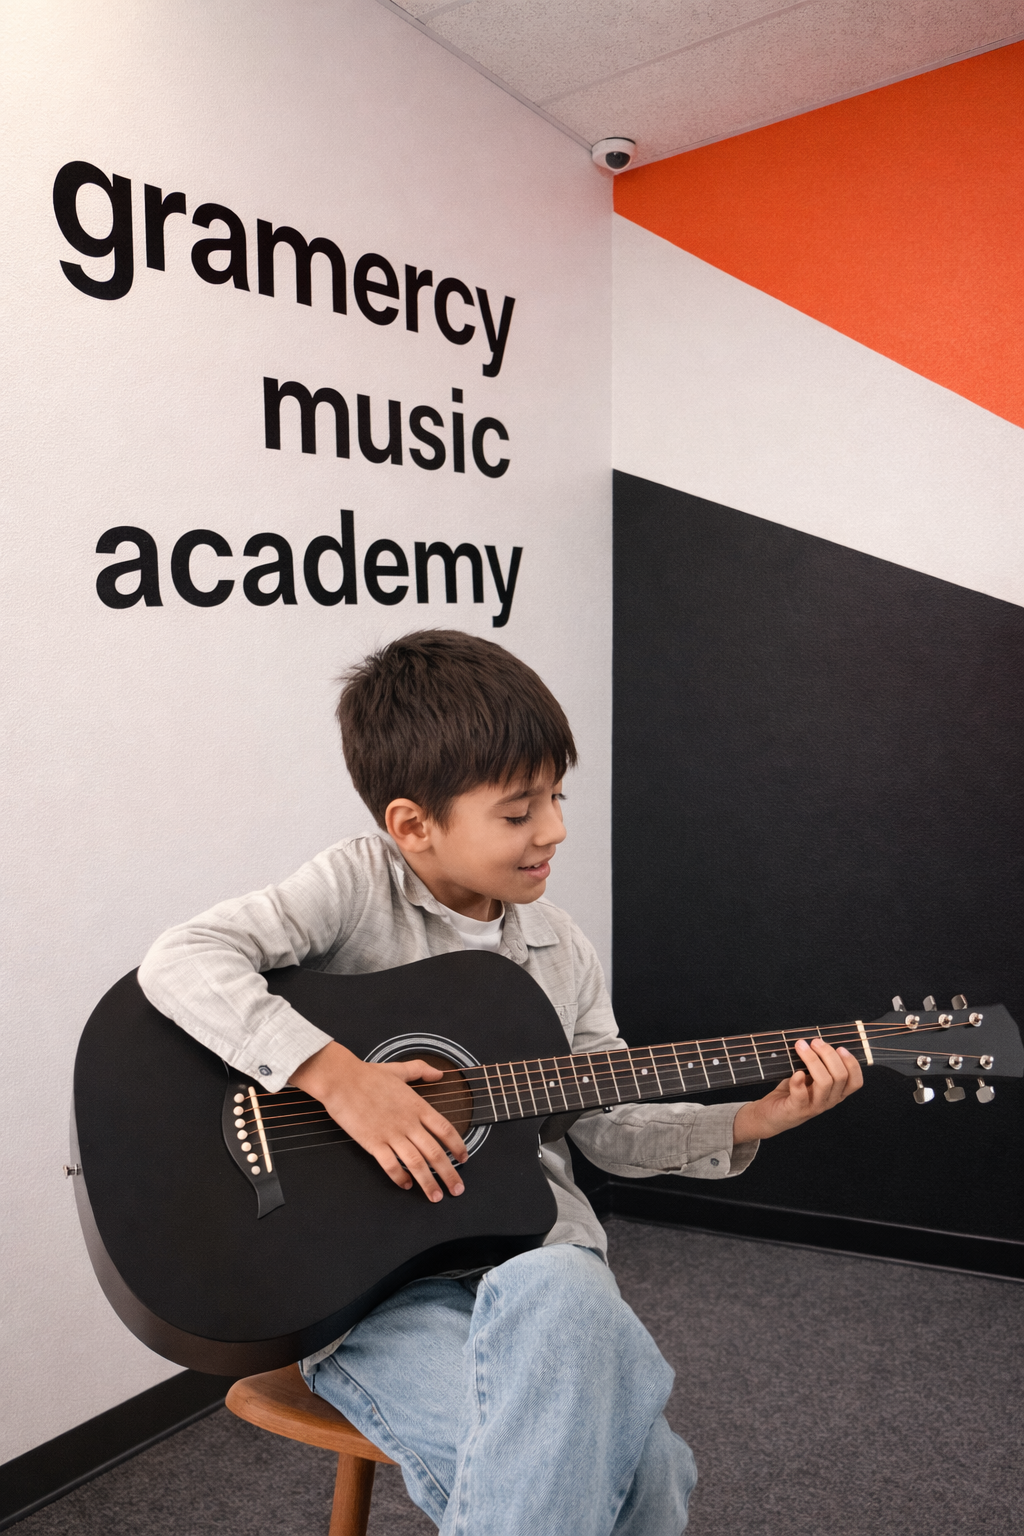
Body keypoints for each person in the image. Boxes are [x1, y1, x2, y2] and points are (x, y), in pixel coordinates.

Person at [139, 629, 862, 1534]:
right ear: (414, 825)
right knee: (649, 1473)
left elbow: (604, 1124)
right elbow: (183, 958)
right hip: (370, 1290)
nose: (554, 830)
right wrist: (340, 1079)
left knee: (564, 1284)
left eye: (556, 797)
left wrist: (749, 1120)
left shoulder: (560, 948)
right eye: (519, 813)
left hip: (535, 1268)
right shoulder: (356, 888)